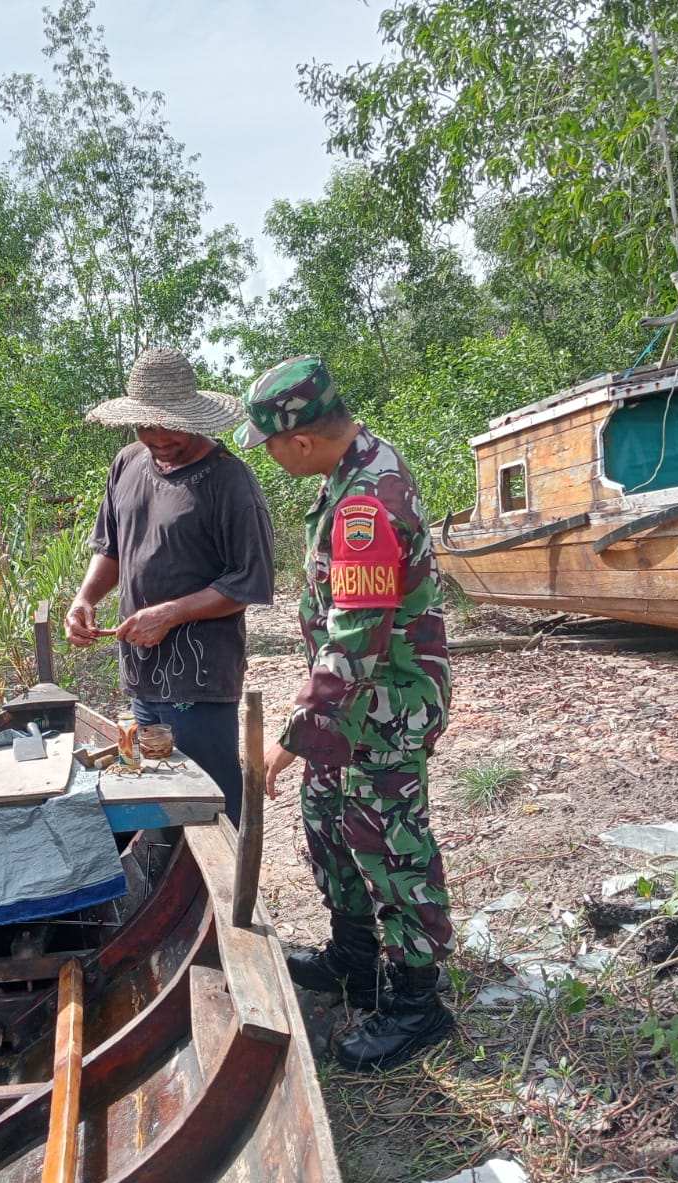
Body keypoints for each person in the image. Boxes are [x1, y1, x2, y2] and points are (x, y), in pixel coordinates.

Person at [234, 354, 454, 1070]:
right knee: (329, 823)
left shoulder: (366, 501)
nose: (269, 458)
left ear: (299, 441)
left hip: (384, 706)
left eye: (269, 445)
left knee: (393, 850)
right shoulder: (344, 475)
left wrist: (291, 738)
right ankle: (355, 961)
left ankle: (417, 1005)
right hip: (349, 707)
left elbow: (357, 639)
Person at [65, 347, 275, 825]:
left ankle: (232, 897)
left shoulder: (230, 483)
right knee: (157, 792)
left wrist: (171, 613)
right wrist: (85, 598)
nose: (158, 438)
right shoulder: (127, 463)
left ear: (195, 418)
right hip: (142, 672)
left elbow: (250, 581)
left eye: (170, 425)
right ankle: (174, 880)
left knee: (210, 798)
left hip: (200, 680)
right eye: (146, 426)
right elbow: (113, 549)